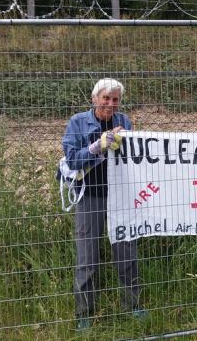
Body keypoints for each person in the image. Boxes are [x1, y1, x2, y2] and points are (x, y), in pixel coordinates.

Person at [62, 78, 146, 331]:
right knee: (88, 255)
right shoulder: (78, 122)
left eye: (115, 99)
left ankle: (133, 305)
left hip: (120, 196)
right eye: (106, 98)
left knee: (126, 250)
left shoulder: (125, 121)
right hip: (90, 197)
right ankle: (84, 313)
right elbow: (73, 160)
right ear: (95, 98)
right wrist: (98, 146)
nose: (111, 103)